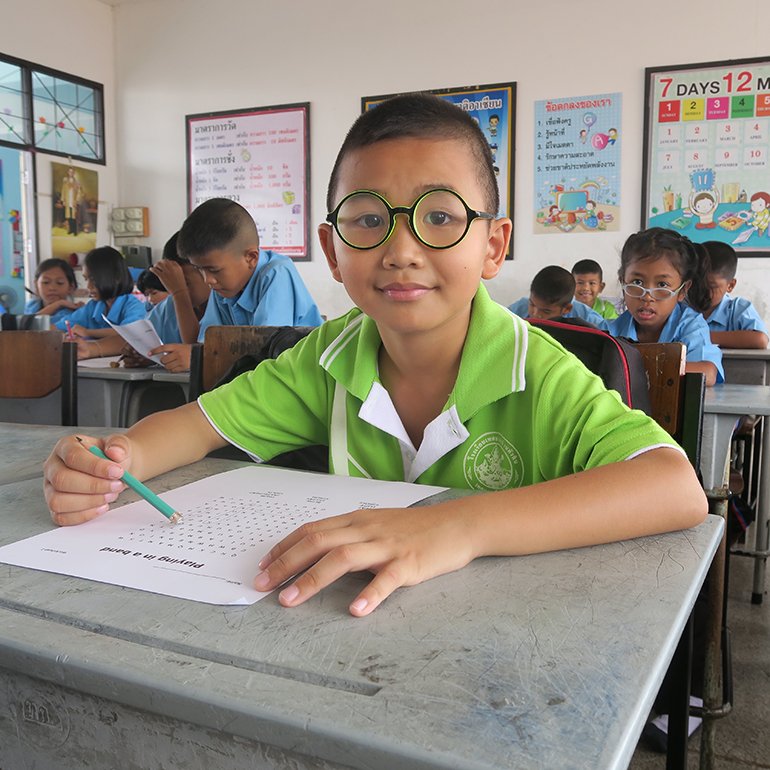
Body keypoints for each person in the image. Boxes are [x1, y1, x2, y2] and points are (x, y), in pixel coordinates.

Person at [43, 94, 706, 618]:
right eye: (368, 218)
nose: (401, 248)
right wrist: (113, 460)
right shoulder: (324, 360)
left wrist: (455, 527)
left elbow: (674, 487)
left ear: (494, 247)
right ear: (332, 252)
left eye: (440, 216)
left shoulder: (539, 369)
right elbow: (194, 426)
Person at [179, 198, 323, 344]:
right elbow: (209, 340)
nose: (207, 280)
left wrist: (198, 353)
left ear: (251, 258)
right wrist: (198, 351)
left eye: (214, 270)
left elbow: (266, 348)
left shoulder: (276, 273)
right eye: (199, 270)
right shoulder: (223, 287)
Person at [606, 228, 724, 385]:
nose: (647, 296)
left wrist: (637, 368)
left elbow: (707, 372)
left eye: (662, 284)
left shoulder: (691, 326)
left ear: (682, 290)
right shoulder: (609, 331)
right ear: (623, 281)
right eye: (637, 282)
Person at [122, 232, 212, 372]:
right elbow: (136, 335)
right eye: (171, 284)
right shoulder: (170, 304)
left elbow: (196, 352)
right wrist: (93, 349)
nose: (173, 291)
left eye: (183, 282)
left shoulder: (223, 303)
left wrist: (179, 293)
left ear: (206, 271)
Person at [54, 246, 146, 360]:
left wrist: (87, 332)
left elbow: (129, 334)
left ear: (116, 277)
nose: (88, 286)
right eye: (86, 279)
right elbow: (59, 326)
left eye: (93, 279)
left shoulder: (133, 306)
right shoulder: (93, 306)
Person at [701, 240, 768, 349]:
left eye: (712, 286)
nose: (701, 291)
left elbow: (760, 340)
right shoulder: (681, 307)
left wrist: (701, 335)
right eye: (695, 284)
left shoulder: (738, 309)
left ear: (730, 285)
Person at [508, 265, 610, 329]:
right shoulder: (519, 308)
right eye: (532, 304)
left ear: (567, 309)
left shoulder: (588, 319)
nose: (536, 314)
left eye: (546, 311)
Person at [24, 258, 84, 326]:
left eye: (59, 283)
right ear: (36, 285)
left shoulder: (69, 315)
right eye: (46, 282)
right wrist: (59, 303)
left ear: (71, 287)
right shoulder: (31, 305)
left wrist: (59, 304)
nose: (52, 288)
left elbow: (30, 324)